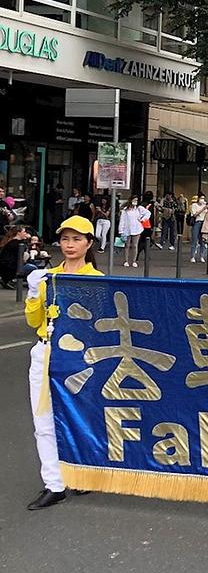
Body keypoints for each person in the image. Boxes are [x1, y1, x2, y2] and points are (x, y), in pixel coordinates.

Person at [24, 216, 104, 510]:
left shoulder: (94, 279)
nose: (70, 245)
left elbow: (96, 323)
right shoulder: (49, 277)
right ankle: (54, 483)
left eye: (77, 239)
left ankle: (80, 473)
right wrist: (34, 294)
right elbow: (34, 321)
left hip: (76, 357)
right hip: (44, 352)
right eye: (65, 239)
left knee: (77, 415)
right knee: (43, 420)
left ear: (89, 244)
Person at [118, 195, 149, 268]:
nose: (135, 202)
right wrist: (121, 231)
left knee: (135, 245)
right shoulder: (125, 210)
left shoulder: (139, 208)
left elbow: (148, 213)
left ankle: (134, 261)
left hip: (137, 229)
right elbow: (122, 220)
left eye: (137, 200)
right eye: (134, 200)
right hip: (127, 229)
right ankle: (126, 261)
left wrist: (142, 219)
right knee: (127, 245)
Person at [189, 193, 208, 262]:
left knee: (203, 240)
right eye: (201, 198)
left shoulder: (205, 205)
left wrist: (207, 209)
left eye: (203, 198)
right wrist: (203, 209)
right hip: (197, 223)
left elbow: (207, 215)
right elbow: (194, 215)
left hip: (204, 224)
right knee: (194, 240)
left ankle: (202, 256)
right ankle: (192, 256)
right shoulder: (194, 205)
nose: (202, 200)